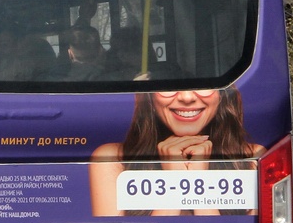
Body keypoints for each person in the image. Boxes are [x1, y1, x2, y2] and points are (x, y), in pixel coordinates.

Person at [89, 86, 263, 216]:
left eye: (203, 86)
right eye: (170, 87)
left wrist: (199, 182)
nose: (187, 97)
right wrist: (174, 183)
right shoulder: (112, 159)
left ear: (222, 94)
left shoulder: (253, 158)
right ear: (149, 96)